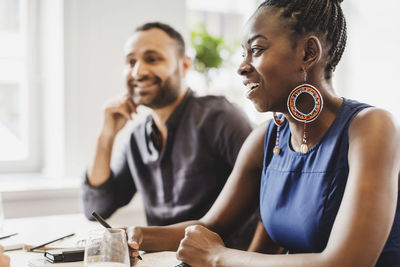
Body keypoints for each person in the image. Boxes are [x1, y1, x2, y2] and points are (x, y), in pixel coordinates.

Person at [125, 1, 400, 266]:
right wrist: (133, 235)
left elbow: (347, 262)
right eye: (243, 53)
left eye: (256, 49)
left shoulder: (371, 127)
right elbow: (211, 226)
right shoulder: (265, 139)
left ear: (308, 53)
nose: (242, 67)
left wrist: (216, 257)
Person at [82, 22, 257, 249]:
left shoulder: (220, 118)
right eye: (131, 61)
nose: (138, 71)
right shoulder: (137, 137)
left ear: (185, 65)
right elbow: (97, 207)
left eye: (152, 59)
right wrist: (106, 136)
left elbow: (267, 199)